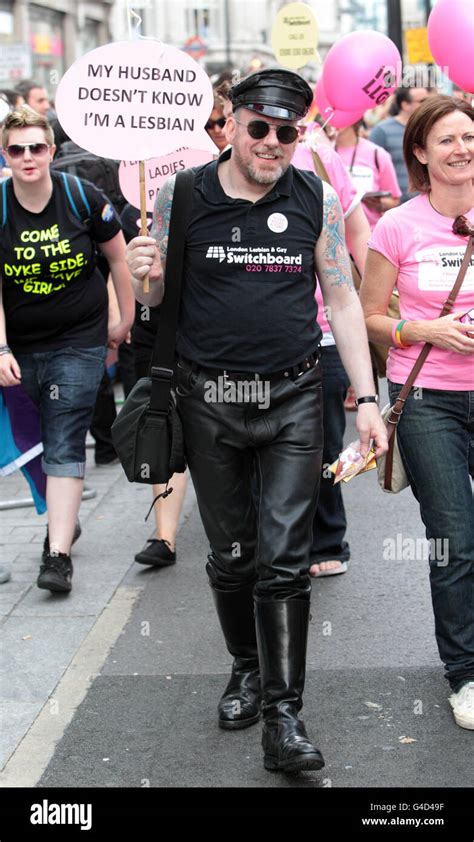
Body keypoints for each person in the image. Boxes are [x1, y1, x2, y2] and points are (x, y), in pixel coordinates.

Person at [126, 68, 387, 773]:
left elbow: (340, 301)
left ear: (300, 134)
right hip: (209, 400)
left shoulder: (317, 198)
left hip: (295, 397)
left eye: (288, 131)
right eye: (261, 127)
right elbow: (150, 300)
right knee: (233, 556)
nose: (273, 143)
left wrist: (366, 400)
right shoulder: (178, 195)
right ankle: (245, 667)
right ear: (232, 122)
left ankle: (284, 714)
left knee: (284, 560)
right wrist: (143, 272)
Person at [360, 95, 474, 730]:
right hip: (428, 401)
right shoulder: (397, 226)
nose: (462, 149)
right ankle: (466, 674)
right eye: (448, 140)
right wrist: (426, 329)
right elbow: (372, 318)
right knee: (456, 539)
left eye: (470, 136)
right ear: (423, 154)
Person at [0, 106, 134, 594]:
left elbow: (118, 257)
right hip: (18, 349)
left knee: (65, 437)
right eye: (17, 149)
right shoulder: (0, 206)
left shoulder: (82, 195)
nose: (28, 157)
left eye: (37, 147)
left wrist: (123, 318)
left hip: (79, 340)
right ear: (6, 154)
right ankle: (63, 518)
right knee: (31, 439)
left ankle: (56, 556)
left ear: (52, 151)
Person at [292, 129, 372, 578]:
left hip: (324, 332)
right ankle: (272, 542)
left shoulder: (321, 155)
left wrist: (378, 299)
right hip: (248, 346)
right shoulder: (221, 165)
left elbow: (358, 233)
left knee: (321, 443)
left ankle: (327, 539)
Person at [335, 120, 401, 229]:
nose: (333, 121)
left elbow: (394, 199)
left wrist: (378, 203)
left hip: (369, 234)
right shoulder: (320, 152)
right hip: (332, 235)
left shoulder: (377, 154)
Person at [370, 86, 429, 203]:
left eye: (428, 100)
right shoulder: (382, 130)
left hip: (427, 203)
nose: (427, 105)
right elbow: (373, 169)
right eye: (422, 101)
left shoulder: (430, 128)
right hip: (396, 205)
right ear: (405, 105)